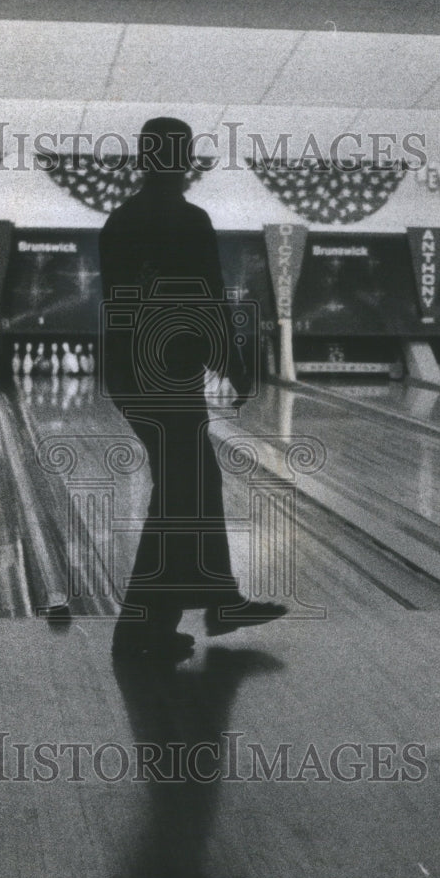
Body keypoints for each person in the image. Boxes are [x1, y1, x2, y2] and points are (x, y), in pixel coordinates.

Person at [99, 117, 286, 659]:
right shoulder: (187, 218)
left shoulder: (121, 219)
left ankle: (216, 601)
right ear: (184, 161)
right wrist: (236, 362)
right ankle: (140, 629)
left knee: (191, 484)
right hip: (165, 373)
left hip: (132, 371)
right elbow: (205, 298)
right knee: (182, 490)